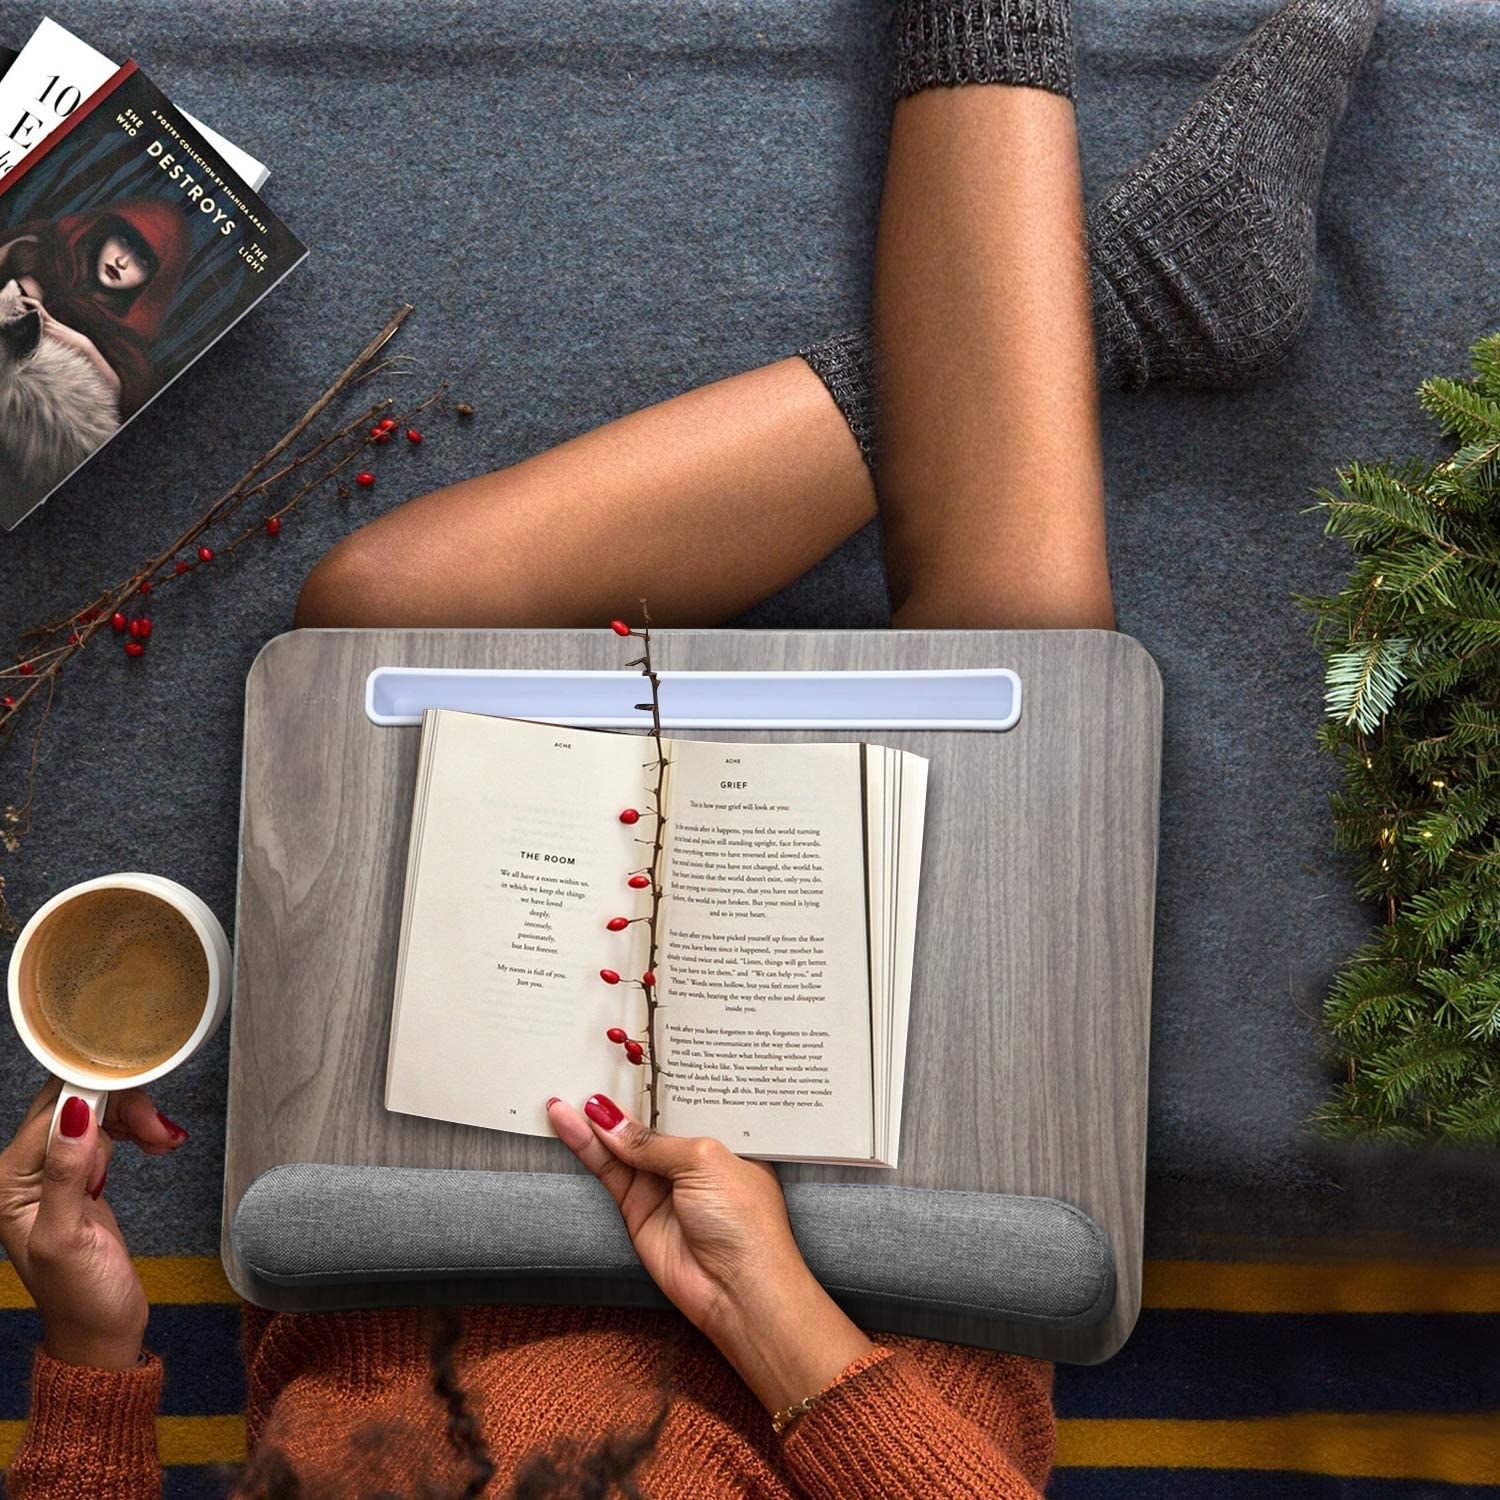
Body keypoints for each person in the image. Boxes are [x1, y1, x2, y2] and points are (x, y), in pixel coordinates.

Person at [2, 0, 1381, 1494]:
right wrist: (772, 1309)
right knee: (1015, 683)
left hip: (393, 1239)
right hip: (864, 1297)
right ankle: (1121, 285)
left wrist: (87, 1344)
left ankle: (1117, 307)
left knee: (374, 625)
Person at [0, 200, 189, 418]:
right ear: (107, 231)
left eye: (143, 260)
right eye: (124, 240)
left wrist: (83, 347)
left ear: (153, 281)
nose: (122, 261)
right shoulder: (44, 251)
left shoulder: (124, 347)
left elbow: (126, 404)